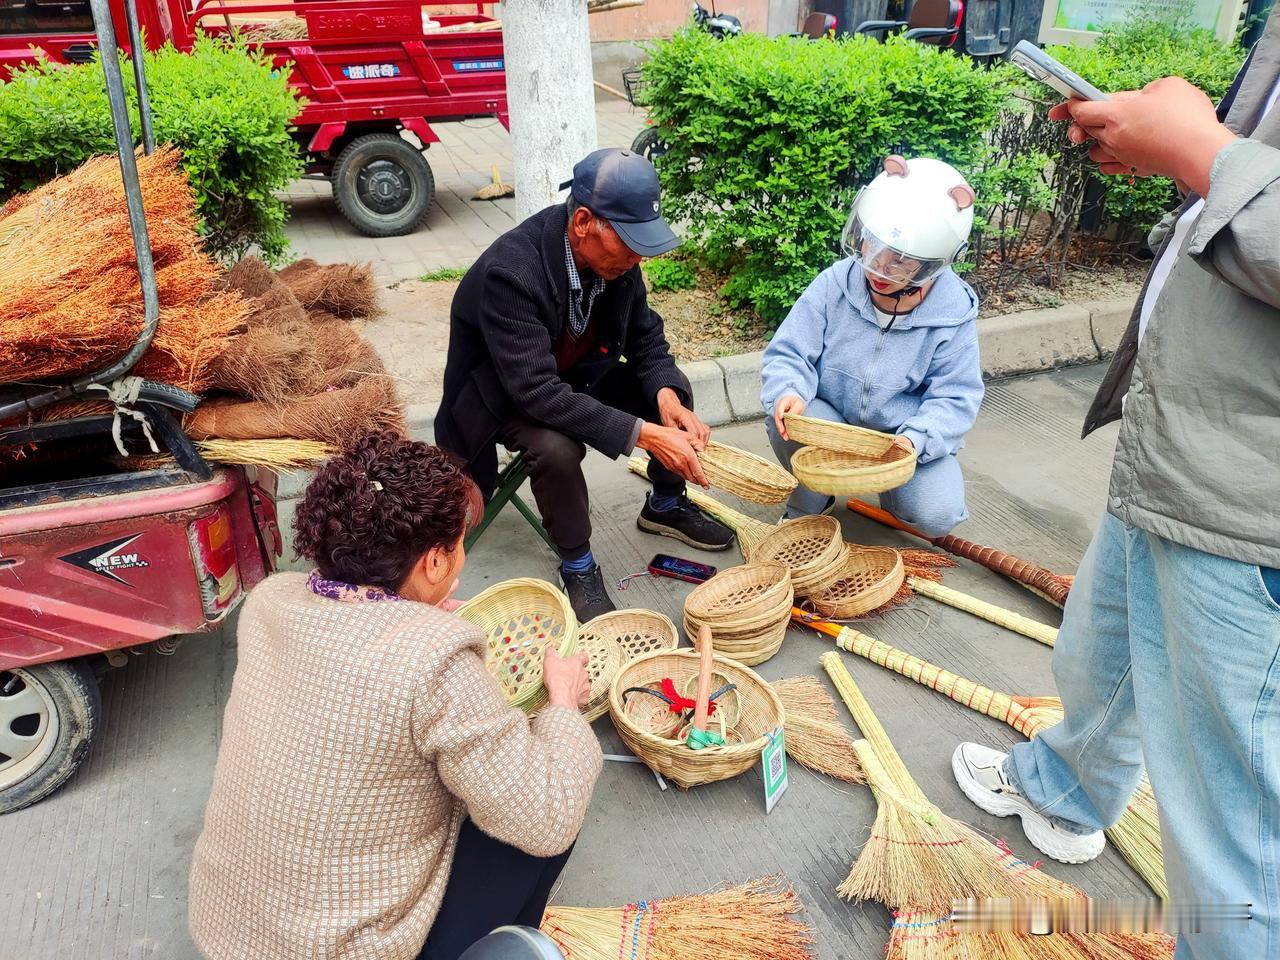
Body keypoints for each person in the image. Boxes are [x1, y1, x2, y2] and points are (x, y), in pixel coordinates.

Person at [951, 16, 1280, 959]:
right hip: (1181, 437)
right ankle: (1067, 789)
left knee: (1236, 837)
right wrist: (1191, 158)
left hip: (1251, 490)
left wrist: (1203, 151)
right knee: (1107, 646)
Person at [187, 432, 602, 960]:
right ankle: (497, 949)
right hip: (343, 951)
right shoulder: (436, 661)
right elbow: (545, 817)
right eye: (456, 546)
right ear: (433, 562)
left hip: (231, 931)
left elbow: (359, 659)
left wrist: (419, 620)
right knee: (554, 791)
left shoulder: (271, 602)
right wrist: (563, 706)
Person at [435, 148, 733, 624]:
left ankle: (665, 503)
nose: (637, 258)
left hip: (574, 376)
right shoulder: (510, 273)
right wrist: (644, 434)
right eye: (629, 244)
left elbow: (646, 337)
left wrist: (665, 399)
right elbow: (536, 392)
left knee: (671, 396)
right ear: (583, 222)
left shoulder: (618, 263)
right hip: (502, 396)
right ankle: (577, 563)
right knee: (556, 447)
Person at [761, 155, 983, 534]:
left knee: (937, 515)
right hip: (831, 420)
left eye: (902, 261)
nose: (879, 267)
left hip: (899, 437)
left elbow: (955, 399)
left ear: (934, 263)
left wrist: (914, 442)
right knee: (786, 417)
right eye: (872, 245)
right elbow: (790, 351)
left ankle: (891, 494)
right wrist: (790, 389)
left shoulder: (953, 313)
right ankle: (811, 499)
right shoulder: (836, 282)